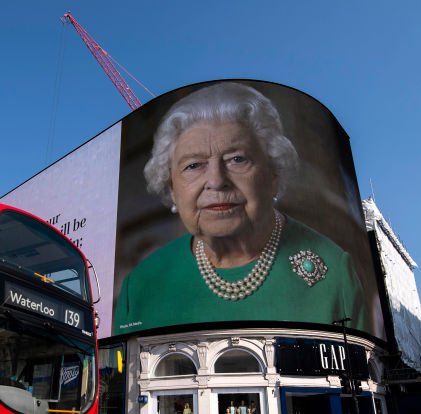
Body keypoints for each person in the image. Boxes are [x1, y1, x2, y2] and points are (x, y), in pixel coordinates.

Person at [114, 82, 367, 334]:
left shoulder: (334, 272)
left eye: (237, 159)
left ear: (273, 174)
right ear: (171, 189)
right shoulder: (140, 286)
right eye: (194, 165)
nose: (216, 180)